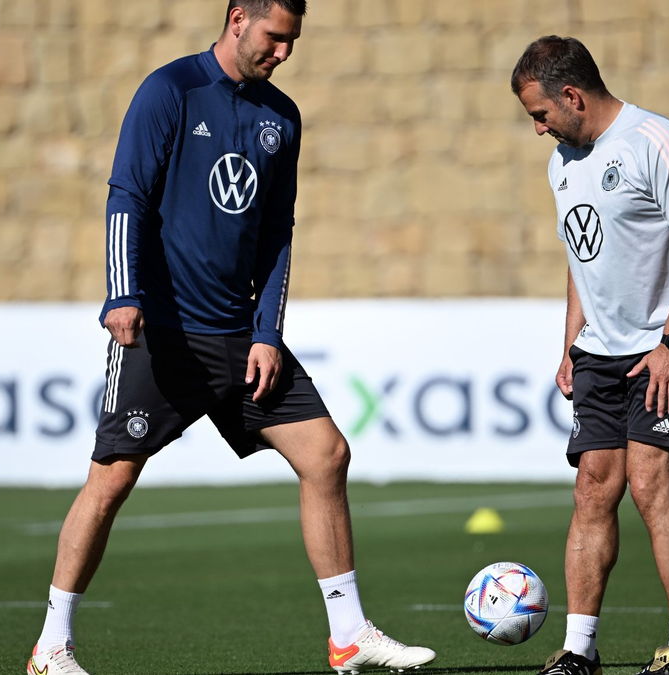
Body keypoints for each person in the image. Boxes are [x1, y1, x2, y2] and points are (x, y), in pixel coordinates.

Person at [27, 3, 437, 674]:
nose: (284, 52)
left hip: (238, 339)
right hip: (161, 333)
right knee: (111, 479)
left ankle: (348, 635)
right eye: (276, 37)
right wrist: (121, 292)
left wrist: (267, 331)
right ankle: (52, 645)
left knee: (327, 454)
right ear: (239, 18)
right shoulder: (171, 91)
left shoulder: (283, 116)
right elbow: (126, 194)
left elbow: (278, 232)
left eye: (293, 41)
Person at [510, 36, 669, 675]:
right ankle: (579, 651)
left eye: (541, 115)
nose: (539, 130)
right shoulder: (561, 163)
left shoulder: (657, 142)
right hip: (600, 352)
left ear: (572, 95)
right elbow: (581, 259)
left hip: (665, 347)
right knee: (592, 491)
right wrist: (572, 342)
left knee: (653, 489)